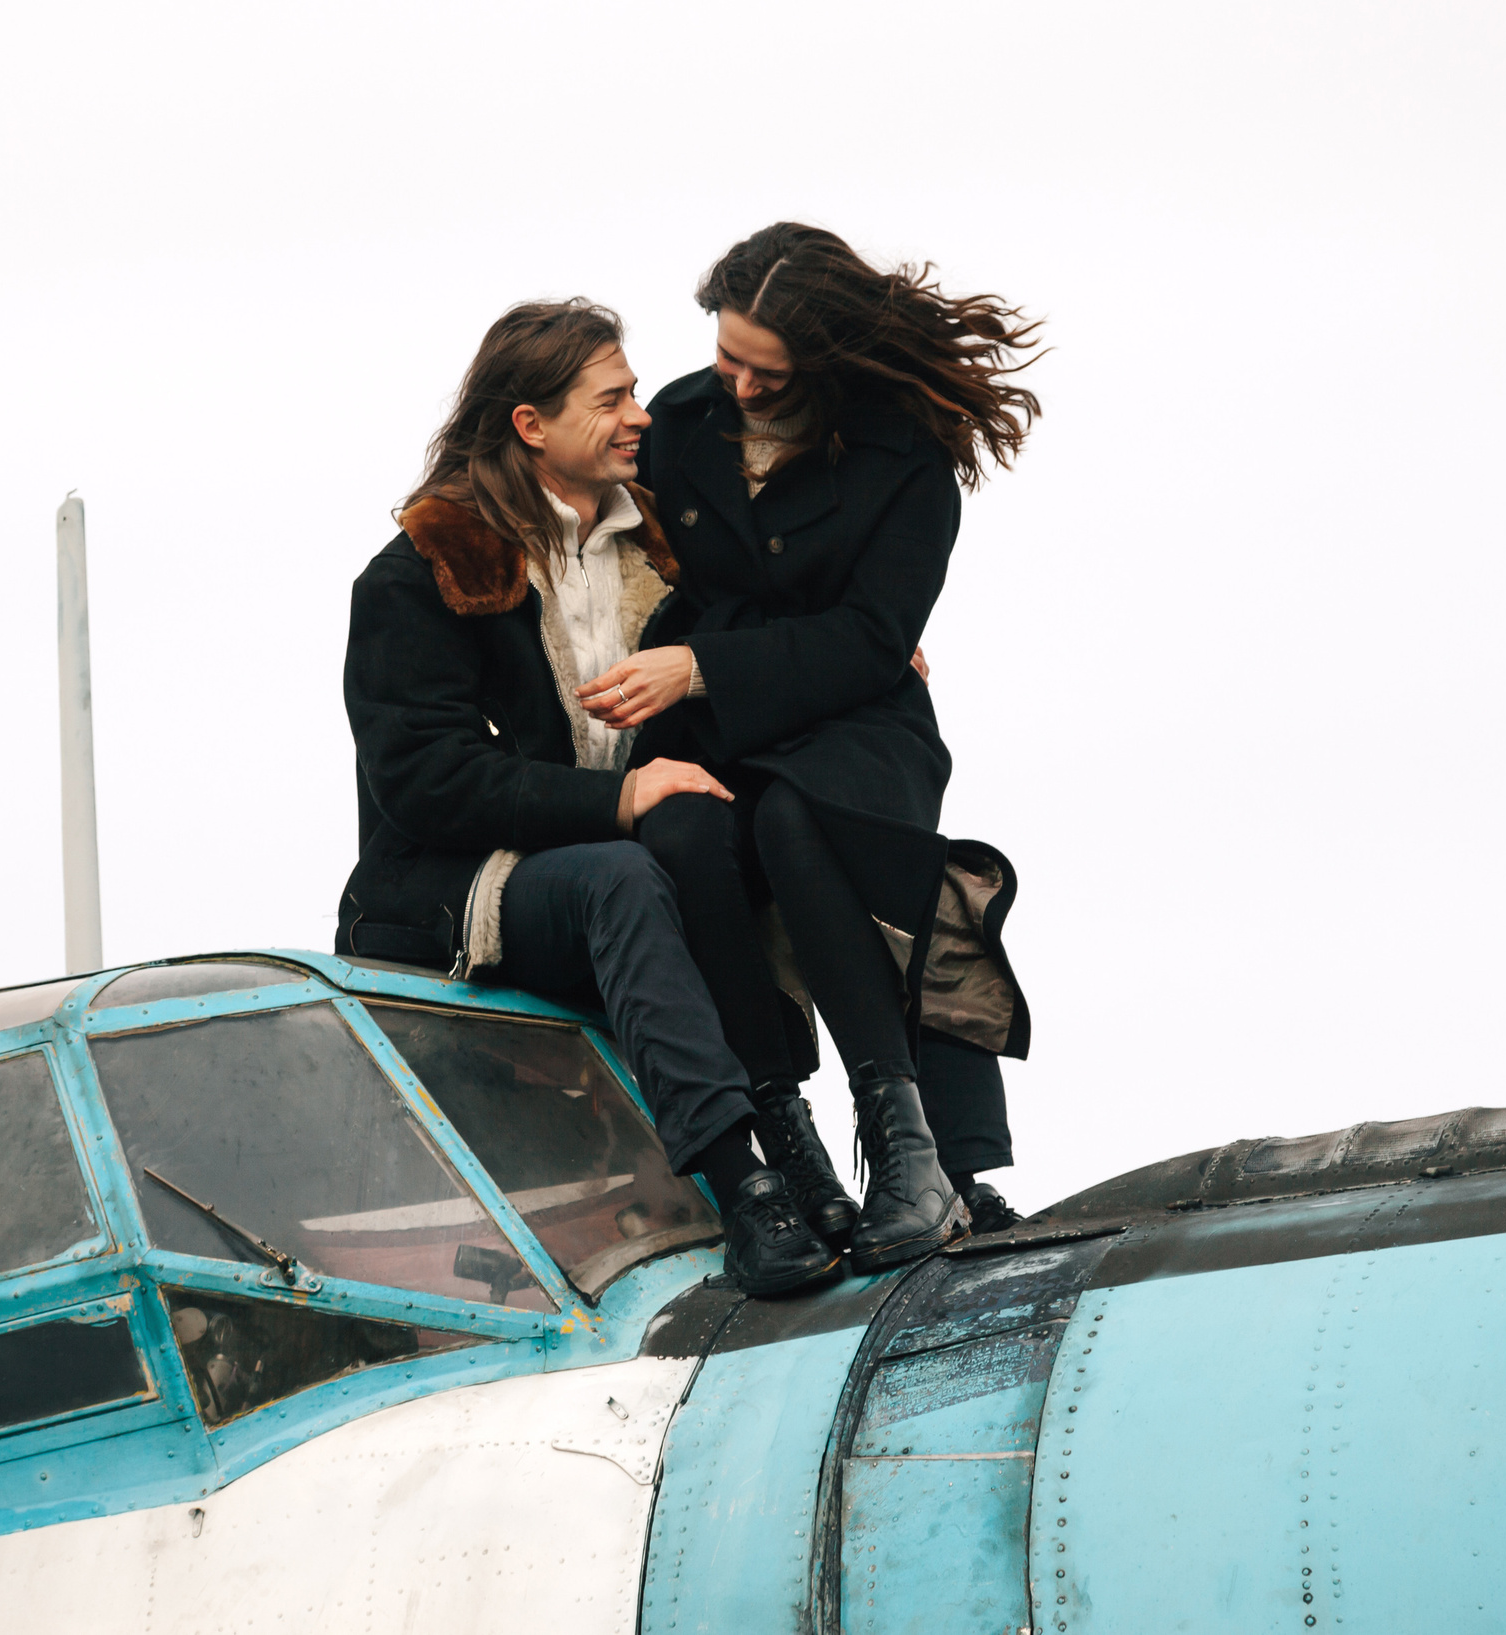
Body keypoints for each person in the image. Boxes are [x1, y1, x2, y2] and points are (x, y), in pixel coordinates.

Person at [335, 297, 841, 1298]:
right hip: (460, 887)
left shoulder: (665, 549)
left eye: (636, 394)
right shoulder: (417, 575)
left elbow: (779, 617)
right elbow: (426, 781)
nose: (638, 416)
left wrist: (861, 650)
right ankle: (745, 1185)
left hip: (646, 859)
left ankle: (797, 1129)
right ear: (531, 425)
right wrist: (619, 801)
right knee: (624, 867)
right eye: (611, 398)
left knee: (720, 829)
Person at [577, 222, 1040, 1273]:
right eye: (724, 355)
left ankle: (903, 1147)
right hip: (714, 727)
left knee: (795, 821)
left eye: (764, 371)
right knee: (685, 837)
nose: (734, 384)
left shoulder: (906, 458)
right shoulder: (683, 422)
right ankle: (784, 1143)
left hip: (856, 722)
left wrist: (699, 666)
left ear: (824, 366)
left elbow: (874, 639)